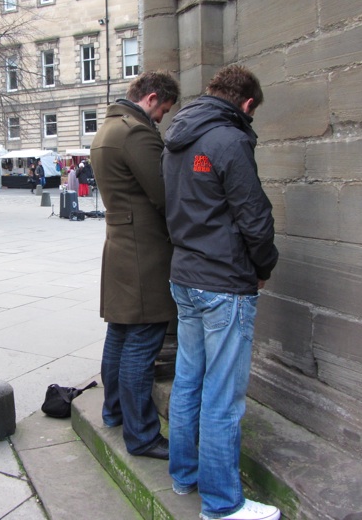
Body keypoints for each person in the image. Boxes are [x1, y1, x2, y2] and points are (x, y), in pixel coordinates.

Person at [162, 65, 280, 520]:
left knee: (190, 380)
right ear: (246, 104)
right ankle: (222, 504)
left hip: (186, 276)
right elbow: (254, 216)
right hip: (222, 281)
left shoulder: (178, 136)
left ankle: (184, 475)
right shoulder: (229, 139)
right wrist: (263, 266)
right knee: (222, 396)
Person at [89, 71, 180, 460]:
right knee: (142, 342)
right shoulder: (136, 132)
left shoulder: (108, 128)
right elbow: (164, 192)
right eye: (163, 110)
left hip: (121, 245)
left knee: (122, 335)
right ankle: (142, 436)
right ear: (152, 98)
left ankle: (113, 412)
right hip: (145, 250)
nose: (161, 118)